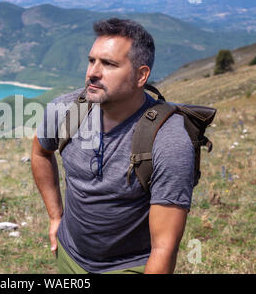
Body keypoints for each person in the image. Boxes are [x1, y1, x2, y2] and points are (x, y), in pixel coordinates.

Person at [31, 18, 195, 274]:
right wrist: (55, 217)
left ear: (141, 75)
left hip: (129, 266)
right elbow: (41, 152)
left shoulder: (169, 140)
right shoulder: (65, 111)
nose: (93, 72)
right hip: (70, 257)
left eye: (108, 64)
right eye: (91, 60)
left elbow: (164, 247)